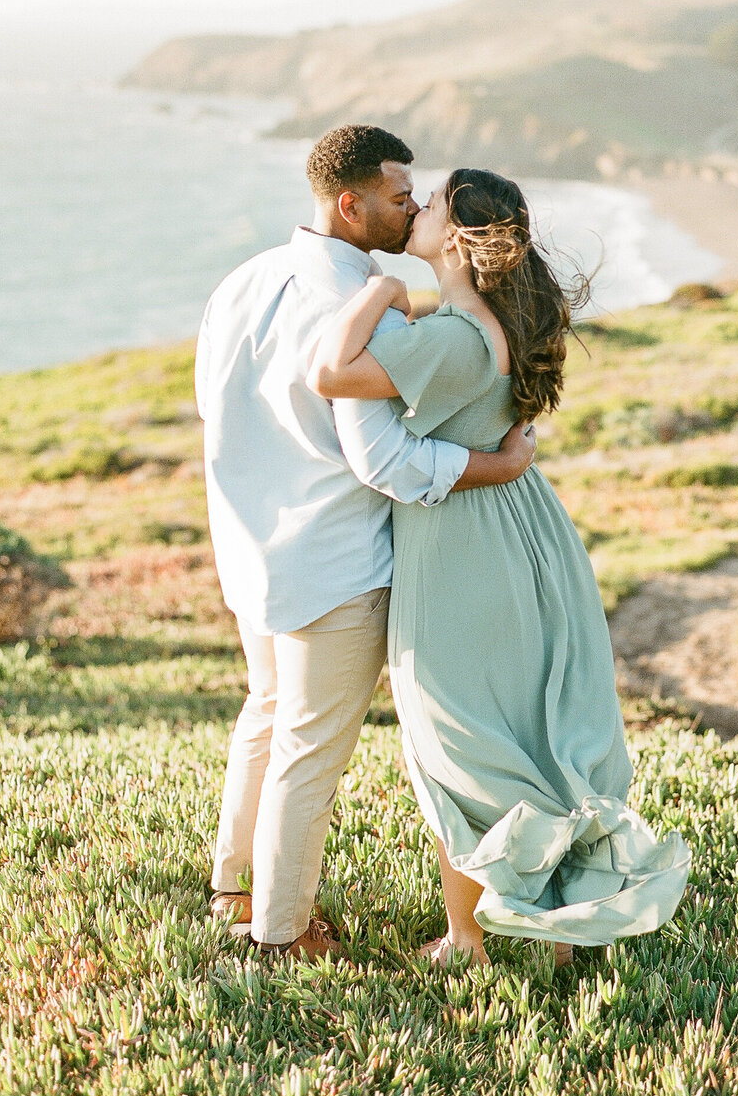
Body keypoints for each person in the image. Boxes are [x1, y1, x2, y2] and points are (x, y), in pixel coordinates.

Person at [309, 167, 691, 965]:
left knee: (457, 741)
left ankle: (467, 939)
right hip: (521, 535)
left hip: (460, 550)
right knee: (517, 733)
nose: (416, 205)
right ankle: (551, 927)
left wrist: (377, 294)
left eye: (434, 200)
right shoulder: (494, 324)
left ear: (455, 236)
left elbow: (331, 374)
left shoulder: (451, 335)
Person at [196, 127, 537, 961]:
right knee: (308, 752)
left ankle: (232, 886)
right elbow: (383, 459)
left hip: (249, 547)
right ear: (349, 204)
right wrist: (494, 465)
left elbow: (215, 409)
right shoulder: (353, 306)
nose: (412, 206)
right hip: (335, 560)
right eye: (396, 196)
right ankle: (281, 934)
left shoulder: (240, 283)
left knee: (267, 715)